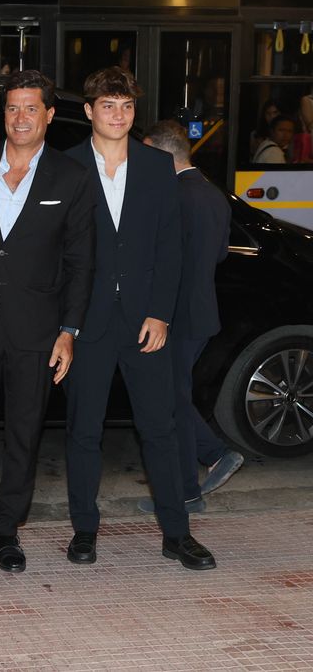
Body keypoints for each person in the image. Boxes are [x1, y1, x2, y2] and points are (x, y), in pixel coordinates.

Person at [63, 67, 216, 571]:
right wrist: (66, 325)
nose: (118, 115)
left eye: (126, 106)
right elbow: (61, 254)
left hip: (146, 323)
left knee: (161, 428)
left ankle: (177, 533)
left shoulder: (155, 165)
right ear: (88, 111)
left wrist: (161, 314)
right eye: (108, 106)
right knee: (84, 430)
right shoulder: (67, 168)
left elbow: (171, 246)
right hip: (89, 321)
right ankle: (84, 529)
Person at [0, 70, 95, 573]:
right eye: (12, 108)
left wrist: (69, 331)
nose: (20, 117)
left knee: (23, 435)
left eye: (31, 108)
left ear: (50, 115)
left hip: (38, 329)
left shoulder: (72, 178)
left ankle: (8, 530)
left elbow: (82, 261)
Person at [138, 121, 242, 515]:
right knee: (174, 397)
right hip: (201, 313)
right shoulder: (214, 194)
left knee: (171, 401)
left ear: (163, 156)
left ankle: (189, 485)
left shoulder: (175, 197)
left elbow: (162, 261)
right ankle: (194, 480)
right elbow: (218, 256)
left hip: (175, 316)